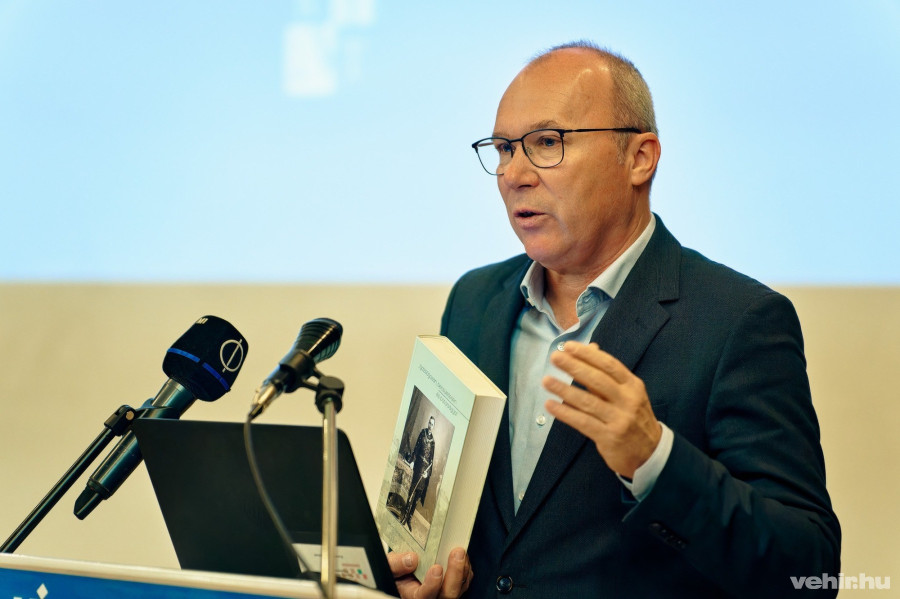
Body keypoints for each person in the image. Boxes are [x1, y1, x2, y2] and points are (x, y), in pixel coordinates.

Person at [389, 41, 840, 598]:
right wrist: (416, 573)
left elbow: (809, 570)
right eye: (504, 149)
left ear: (640, 158)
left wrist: (655, 459)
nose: (513, 174)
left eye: (547, 143)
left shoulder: (739, 322)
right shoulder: (474, 301)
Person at [400, 416, 437, 530]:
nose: (430, 425)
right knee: (411, 492)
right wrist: (412, 461)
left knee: (417, 497)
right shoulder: (422, 434)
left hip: (424, 473)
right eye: (429, 423)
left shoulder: (433, 442)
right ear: (428, 423)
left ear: (434, 426)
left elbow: (431, 461)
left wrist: (427, 473)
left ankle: (409, 519)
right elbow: (416, 449)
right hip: (418, 467)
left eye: (432, 424)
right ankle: (404, 516)